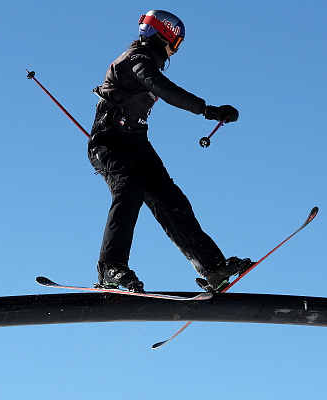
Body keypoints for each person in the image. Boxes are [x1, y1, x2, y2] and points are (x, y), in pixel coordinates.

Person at [89, 10, 252, 293]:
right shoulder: (137, 60)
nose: (174, 52)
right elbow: (162, 88)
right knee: (129, 190)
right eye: (175, 44)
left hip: (137, 144)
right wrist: (206, 109)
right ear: (160, 36)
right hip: (109, 142)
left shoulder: (146, 61)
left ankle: (212, 267)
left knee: (171, 200)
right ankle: (111, 269)